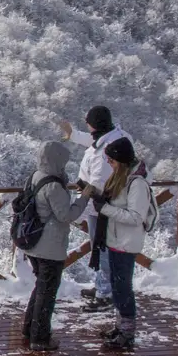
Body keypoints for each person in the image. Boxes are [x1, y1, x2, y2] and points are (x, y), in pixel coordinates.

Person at [60, 106, 131, 312]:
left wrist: (82, 198)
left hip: (102, 206)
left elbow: (98, 183)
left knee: (104, 248)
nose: (86, 125)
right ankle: (103, 287)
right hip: (104, 205)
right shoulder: (114, 136)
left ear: (94, 124)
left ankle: (106, 294)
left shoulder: (106, 150)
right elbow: (94, 142)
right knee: (102, 247)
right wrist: (73, 135)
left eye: (88, 122)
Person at [20, 142, 89, 353]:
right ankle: (40, 338)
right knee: (47, 291)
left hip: (32, 241)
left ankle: (29, 328)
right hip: (50, 245)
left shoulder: (35, 176)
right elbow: (66, 215)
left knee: (41, 286)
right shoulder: (54, 186)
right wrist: (84, 197)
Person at [96, 138, 155, 352]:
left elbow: (136, 217)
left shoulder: (136, 183)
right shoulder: (122, 178)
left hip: (126, 242)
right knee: (117, 286)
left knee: (123, 288)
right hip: (115, 240)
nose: (108, 163)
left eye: (111, 160)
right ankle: (120, 327)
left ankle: (127, 332)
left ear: (120, 161)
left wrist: (105, 209)